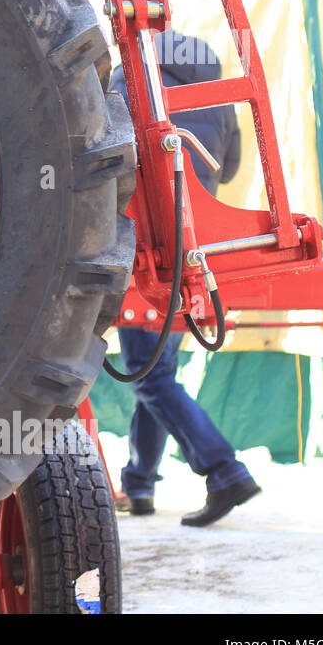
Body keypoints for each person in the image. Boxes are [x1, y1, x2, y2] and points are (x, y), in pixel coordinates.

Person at [111, 30, 262, 527]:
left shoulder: (127, 78)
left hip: (145, 249)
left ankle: (224, 470)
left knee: (148, 375)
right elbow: (233, 164)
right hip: (193, 250)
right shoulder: (216, 91)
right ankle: (139, 483)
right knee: (156, 374)